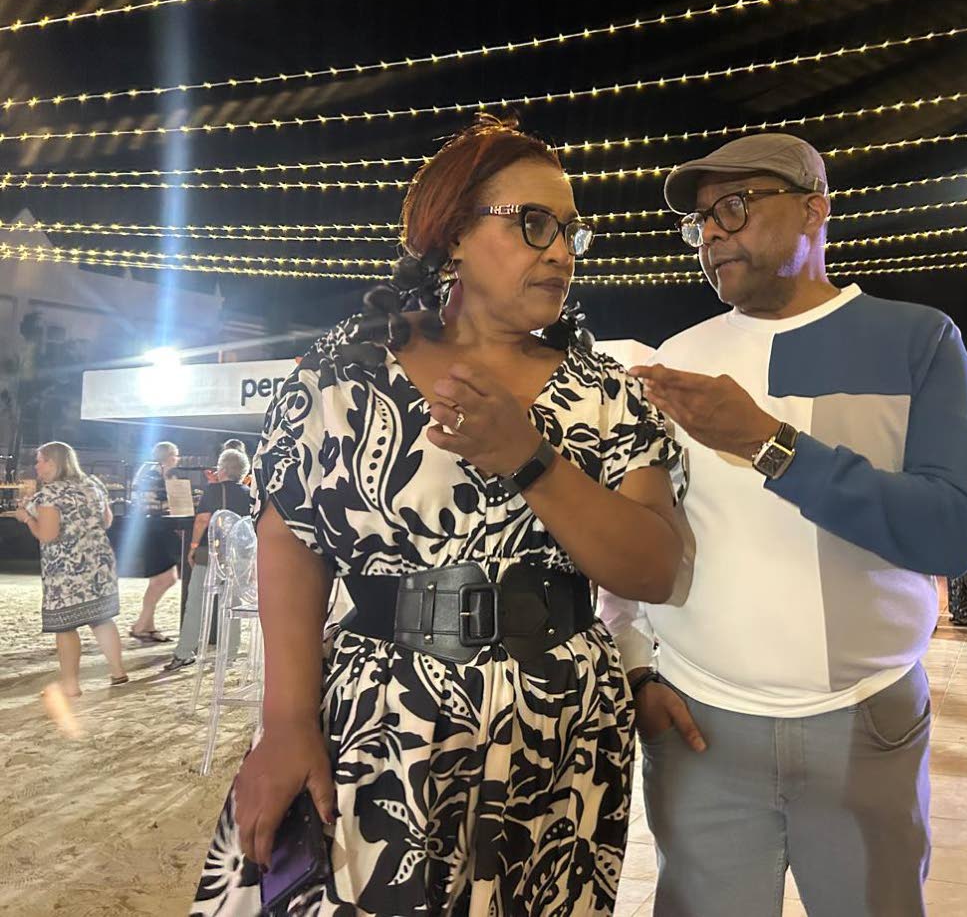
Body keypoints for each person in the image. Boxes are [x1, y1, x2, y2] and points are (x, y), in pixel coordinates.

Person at [191, 116, 685, 915]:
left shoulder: (607, 393)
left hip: (556, 734)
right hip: (382, 719)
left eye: (570, 232)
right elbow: (291, 539)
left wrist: (530, 457)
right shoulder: (346, 371)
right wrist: (285, 722)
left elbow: (654, 570)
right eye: (533, 224)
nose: (560, 252)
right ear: (453, 233)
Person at [600, 133, 967, 917]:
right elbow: (641, 531)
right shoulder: (680, 356)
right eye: (698, 222)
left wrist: (770, 446)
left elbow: (951, 534)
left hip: (865, 721)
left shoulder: (915, 339)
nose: (710, 235)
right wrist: (637, 668)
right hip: (699, 726)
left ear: (814, 210)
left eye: (733, 207)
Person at [4, 442, 128, 695]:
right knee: (101, 618)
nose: (36, 466)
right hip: (99, 561)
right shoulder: (93, 484)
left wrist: (27, 518)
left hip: (66, 569)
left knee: (66, 624)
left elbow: (47, 535)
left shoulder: (51, 493)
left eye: (39, 460)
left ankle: (70, 685)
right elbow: (106, 521)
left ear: (52, 462)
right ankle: (118, 672)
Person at [164, 447, 253, 671]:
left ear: (222, 469)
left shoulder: (213, 491)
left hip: (210, 554)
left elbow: (203, 520)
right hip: (238, 557)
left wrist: (193, 546)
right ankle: (230, 653)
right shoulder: (249, 493)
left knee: (195, 602)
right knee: (232, 605)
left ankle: (184, 652)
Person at [129, 440, 182, 643]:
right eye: (176, 455)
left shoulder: (153, 473)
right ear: (169, 457)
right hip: (154, 530)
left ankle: (147, 626)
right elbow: (153, 503)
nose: (177, 459)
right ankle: (141, 625)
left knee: (160, 580)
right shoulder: (154, 475)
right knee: (165, 579)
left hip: (154, 529)